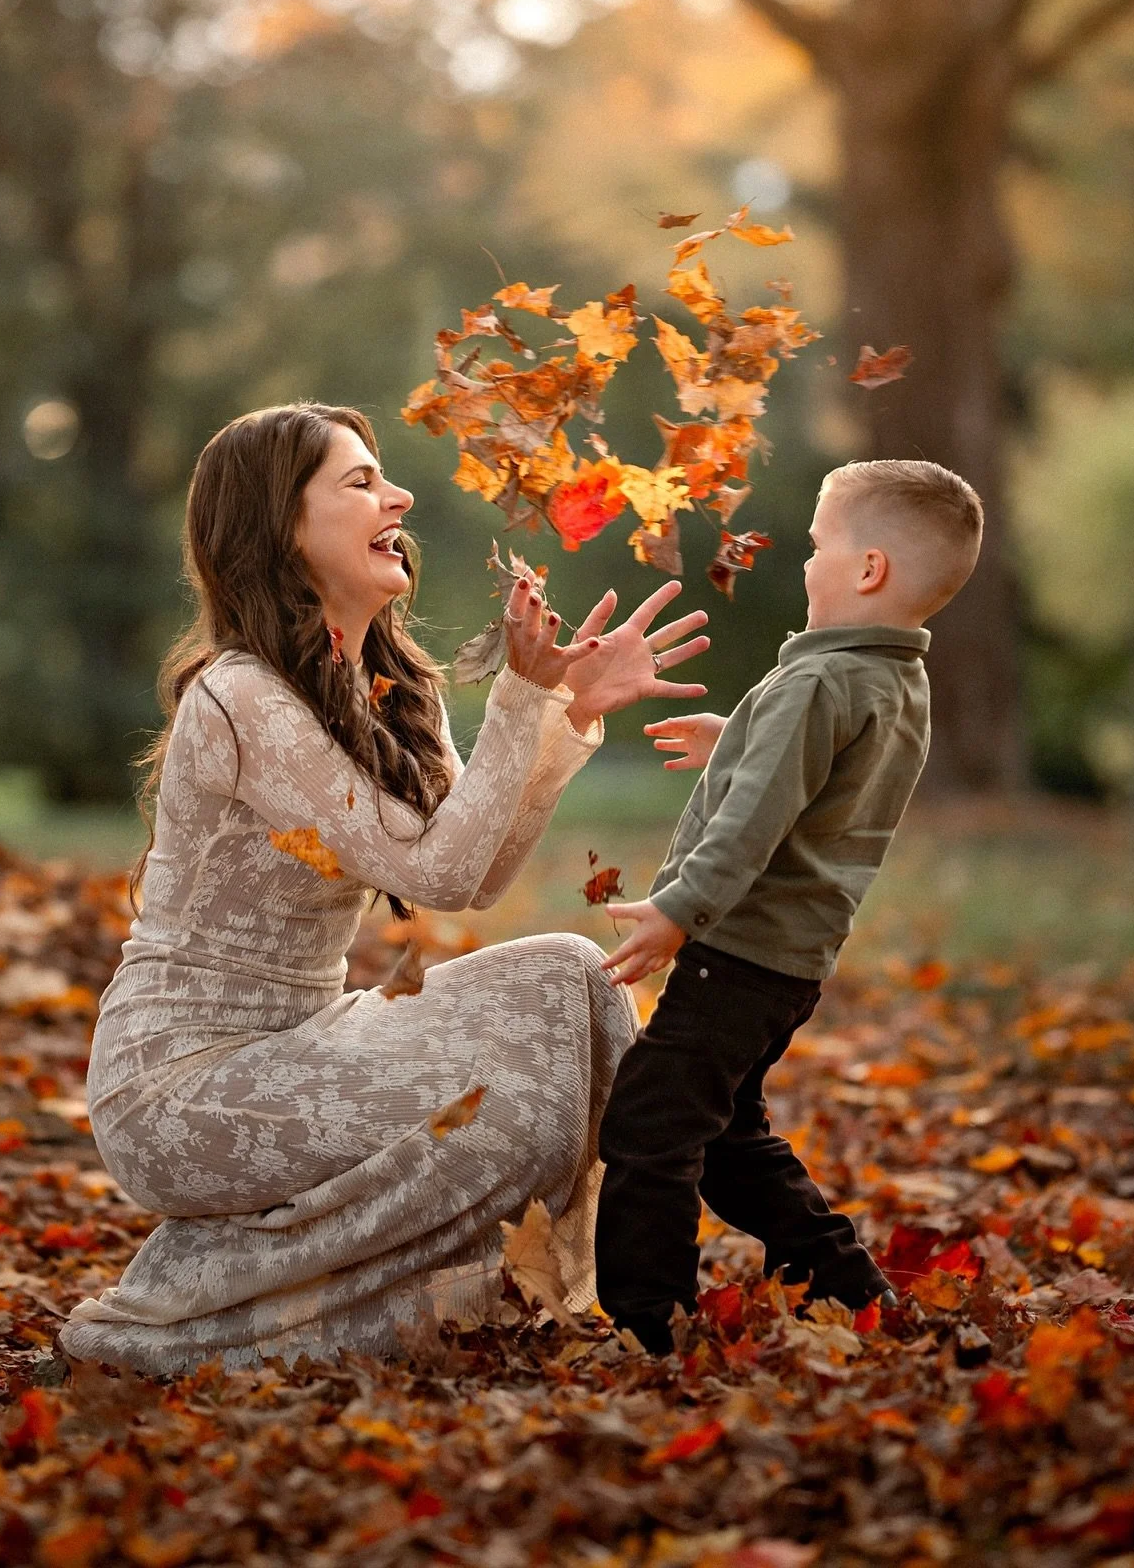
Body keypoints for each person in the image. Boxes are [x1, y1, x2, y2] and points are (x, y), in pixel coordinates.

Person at [58, 402, 710, 1373]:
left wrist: (560, 712)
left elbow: (478, 875)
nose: (397, 494)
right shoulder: (238, 697)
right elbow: (438, 871)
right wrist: (524, 701)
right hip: (181, 1084)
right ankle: (184, 1315)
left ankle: (640, 1278)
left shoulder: (394, 689)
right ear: (282, 527)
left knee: (576, 983)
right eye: (360, 481)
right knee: (521, 1103)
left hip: (307, 1041)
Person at [593, 459, 984, 1353]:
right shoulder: (893, 682)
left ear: (868, 569)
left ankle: (644, 1323)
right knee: (729, 1140)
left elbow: (754, 827)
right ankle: (852, 1288)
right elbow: (822, 779)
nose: (805, 563)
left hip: (735, 950)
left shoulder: (819, 681)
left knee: (649, 1123)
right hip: (789, 963)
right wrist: (739, 737)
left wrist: (679, 909)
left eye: (817, 546)